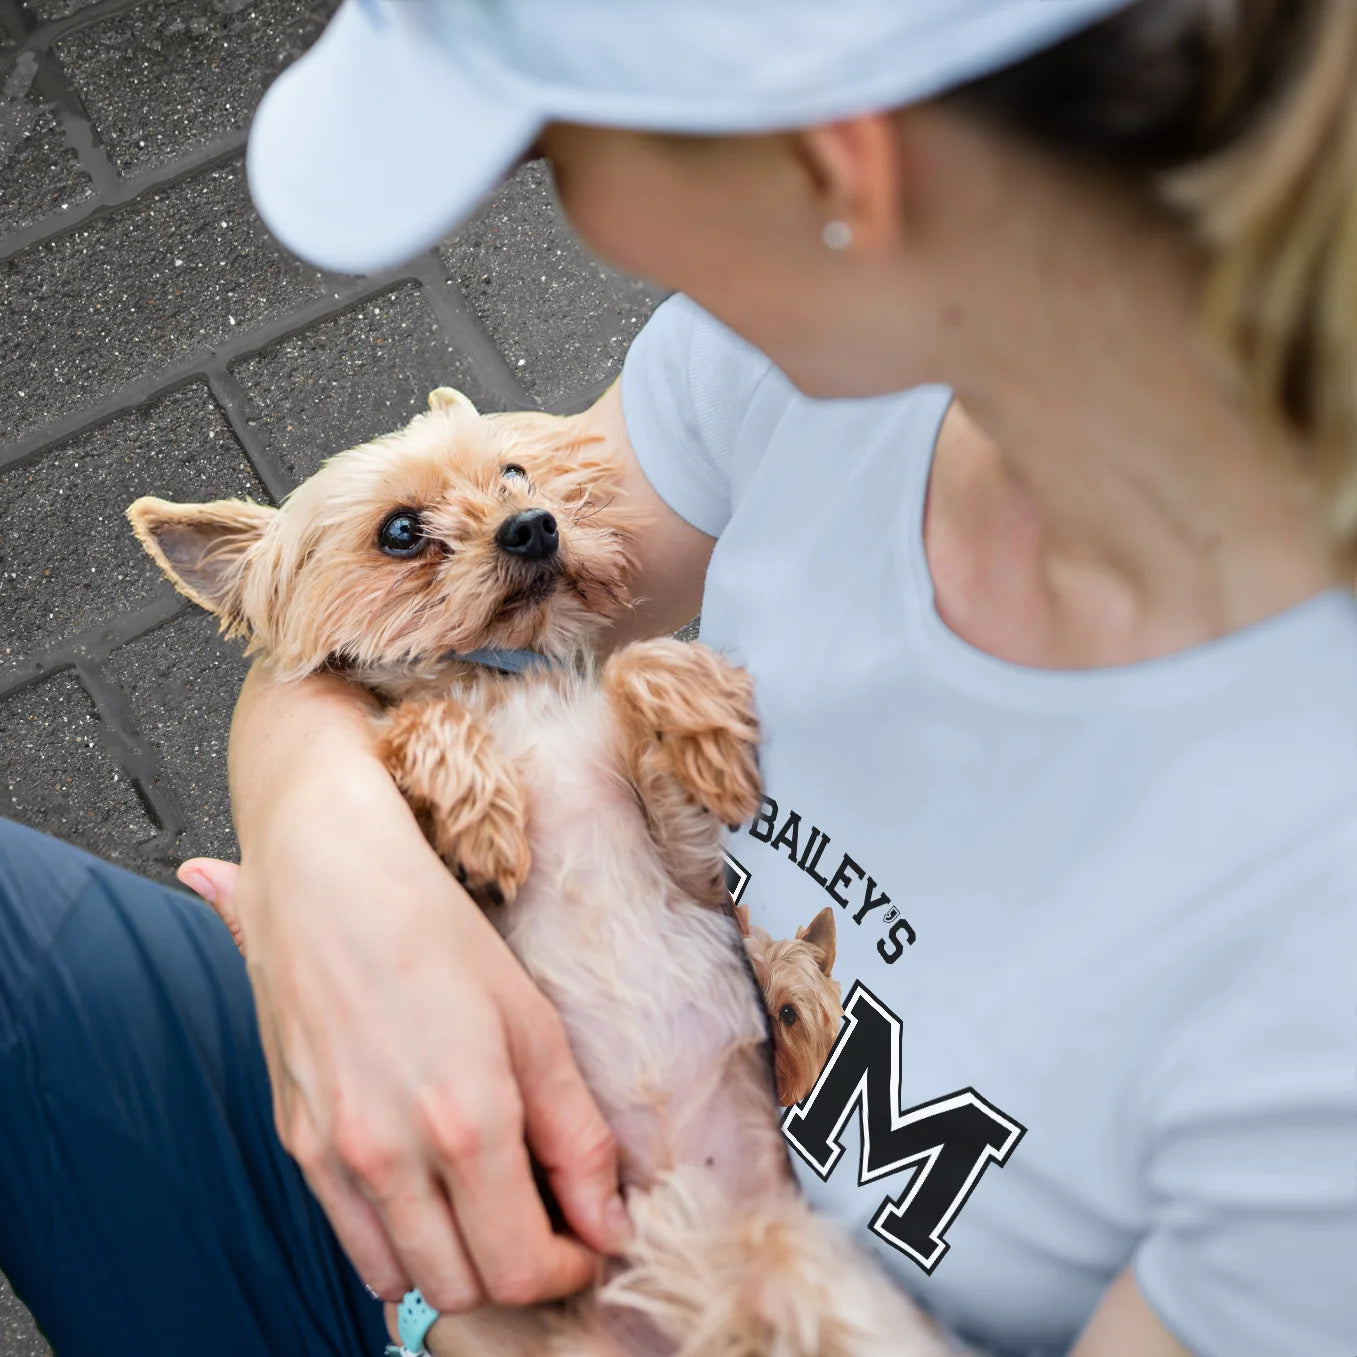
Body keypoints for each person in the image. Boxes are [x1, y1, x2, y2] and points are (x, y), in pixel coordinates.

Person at [1, 0, 1354, 1354]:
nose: (579, 224)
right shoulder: (798, 361)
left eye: (554, 156)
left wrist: (480, 1322)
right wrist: (324, 855)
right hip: (418, 1137)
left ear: (835, 170)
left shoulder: (1312, 988)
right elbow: (369, 622)